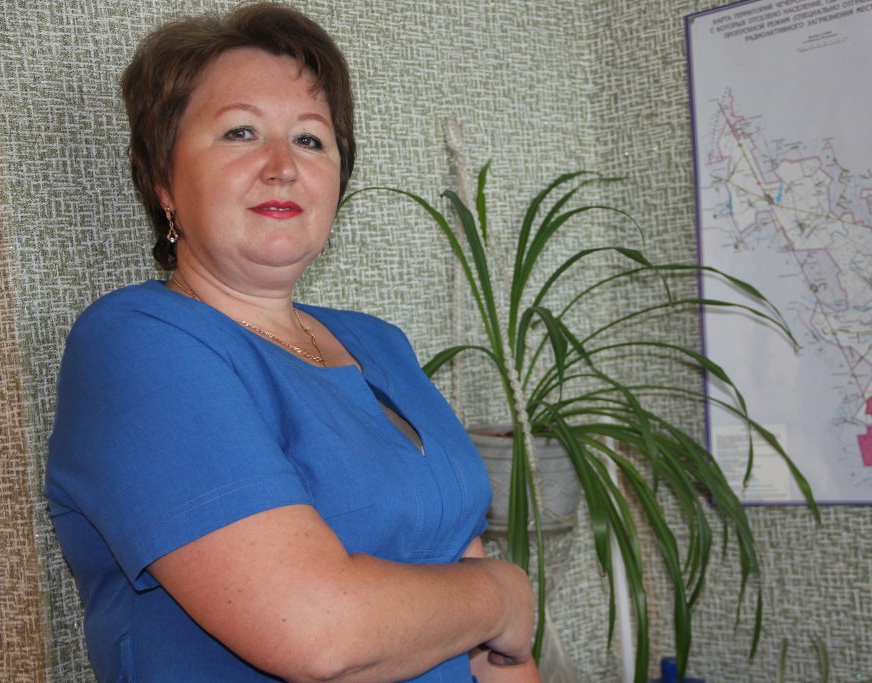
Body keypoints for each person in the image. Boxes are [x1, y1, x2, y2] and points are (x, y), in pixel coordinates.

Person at [45, 4, 541, 682]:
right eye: (240, 132)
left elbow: (490, 632)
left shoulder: (381, 344)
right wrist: (503, 595)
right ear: (163, 181)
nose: (282, 166)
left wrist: (493, 607)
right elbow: (316, 631)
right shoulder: (136, 345)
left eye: (310, 139)